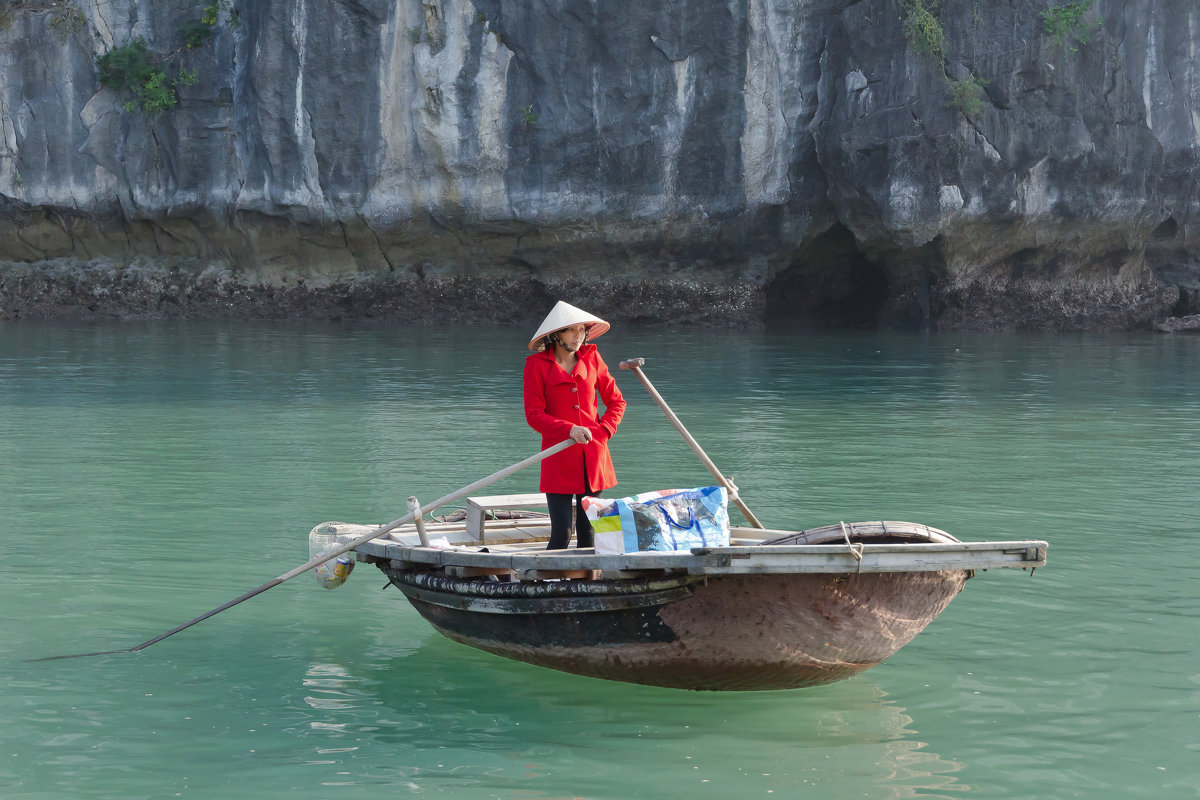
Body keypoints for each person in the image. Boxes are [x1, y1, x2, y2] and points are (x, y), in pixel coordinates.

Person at [523, 301, 626, 550]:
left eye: (582, 329)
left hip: (594, 456)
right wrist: (568, 429)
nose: (578, 336)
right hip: (558, 455)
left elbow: (617, 402)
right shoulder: (536, 365)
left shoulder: (593, 358)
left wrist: (603, 433)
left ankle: (588, 584)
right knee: (562, 533)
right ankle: (552, 584)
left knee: (589, 532)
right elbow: (534, 415)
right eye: (571, 330)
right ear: (555, 335)